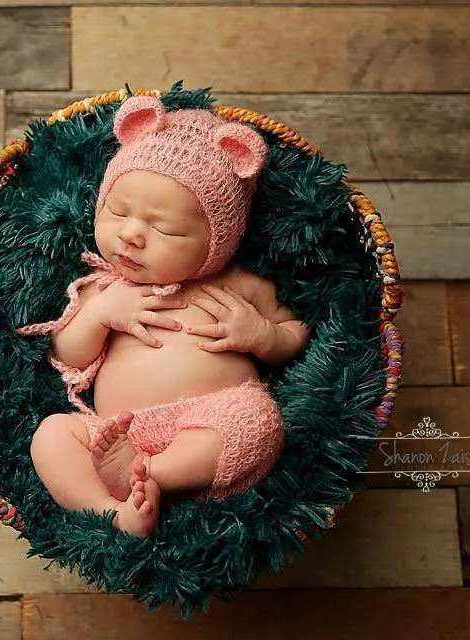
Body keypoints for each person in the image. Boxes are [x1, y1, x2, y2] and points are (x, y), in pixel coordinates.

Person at [19, 95, 309, 537]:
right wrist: (99, 315)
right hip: (115, 433)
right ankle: (114, 512)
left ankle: (153, 473)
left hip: (212, 420)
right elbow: (67, 356)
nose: (131, 235)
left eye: (164, 229)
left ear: (218, 240)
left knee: (259, 421)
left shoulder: (236, 284)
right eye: (117, 213)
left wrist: (263, 335)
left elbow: (295, 332)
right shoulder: (105, 287)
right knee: (53, 435)